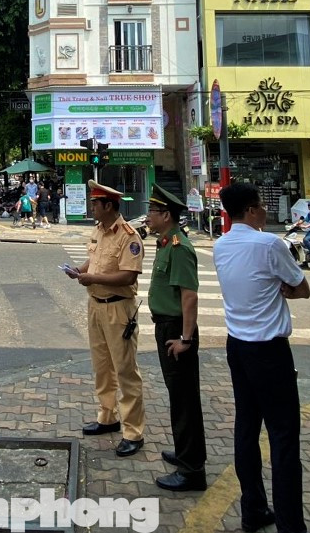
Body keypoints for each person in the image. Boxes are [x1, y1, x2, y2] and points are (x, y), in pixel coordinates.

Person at [214, 183, 310, 533]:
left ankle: (253, 507)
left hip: (237, 346)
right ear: (253, 209)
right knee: (284, 436)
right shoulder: (269, 243)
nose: (266, 212)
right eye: (262, 206)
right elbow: (301, 286)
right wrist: (283, 289)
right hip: (269, 351)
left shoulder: (221, 245)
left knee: (246, 427)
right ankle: (289, 523)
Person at [65, 180, 146, 457]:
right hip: (95, 305)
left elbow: (128, 275)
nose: (92, 207)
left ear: (108, 205)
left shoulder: (128, 235)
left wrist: (92, 277)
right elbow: (95, 259)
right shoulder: (99, 230)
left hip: (118, 308)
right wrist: (80, 270)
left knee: (125, 370)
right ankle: (107, 416)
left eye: (95, 203)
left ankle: (133, 431)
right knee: (102, 365)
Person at [146, 184, 207, 492]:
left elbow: (189, 297)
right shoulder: (166, 243)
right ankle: (186, 453)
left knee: (184, 400)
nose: (147, 216)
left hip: (176, 331)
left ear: (166, 215)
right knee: (178, 396)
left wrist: (185, 337)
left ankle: (192, 470)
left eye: (152, 211)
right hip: (167, 327)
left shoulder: (179, 247)